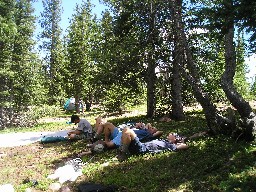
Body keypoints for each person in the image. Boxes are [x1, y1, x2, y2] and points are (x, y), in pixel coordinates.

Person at [117, 127, 189, 161]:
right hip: (141, 146)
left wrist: (180, 141)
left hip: (142, 149)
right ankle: (121, 151)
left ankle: (122, 153)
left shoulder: (171, 145)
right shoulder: (164, 141)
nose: (170, 133)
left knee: (128, 131)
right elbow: (160, 132)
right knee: (125, 130)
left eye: (173, 134)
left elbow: (185, 146)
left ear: (175, 139)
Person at [92, 117, 163, 149]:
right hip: (120, 132)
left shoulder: (148, 134)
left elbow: (160, 132)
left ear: (153, 132)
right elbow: (148, 124)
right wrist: (147, 127)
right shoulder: (143, 129)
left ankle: (94, 147)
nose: (151, 127)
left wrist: (152, 131)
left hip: (124, 135)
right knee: (107, 124)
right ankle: (105, 140)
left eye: (153, 128)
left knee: (108, 145)